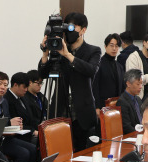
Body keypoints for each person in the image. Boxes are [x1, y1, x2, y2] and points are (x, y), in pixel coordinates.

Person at [38, 12, 101, 150]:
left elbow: (90, 70)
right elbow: (42, 74)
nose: (68, 33)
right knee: (60, 150)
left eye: (73, 28)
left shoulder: (93, 51)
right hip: (59, 107)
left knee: (82, 151)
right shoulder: (58, 49)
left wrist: (67, 55)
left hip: (82, 111)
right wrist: (45, 53)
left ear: (83, 30)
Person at [0, 72, 37, 162]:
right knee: (24, 153)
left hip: (5, 138)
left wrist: (14, 127)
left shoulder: (4, 102)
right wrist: (9, 122)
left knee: (33, 148)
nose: (3, 87)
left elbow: (6, 124)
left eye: (5, 85)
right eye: (0, 83)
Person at [93, 33, 125, 112]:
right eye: (111, 45)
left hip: (117, 107)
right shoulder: (98, 64)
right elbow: (94, 87)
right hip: (102, 106)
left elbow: (122, 89)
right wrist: (97, 107)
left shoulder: (119, 66)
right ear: (105, 46)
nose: (114, 48)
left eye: (116, 46)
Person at [4, 72, 38, 143]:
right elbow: (16, 123)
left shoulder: (23, 96)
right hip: (18, 136)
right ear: (15, 85)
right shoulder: (6, 99)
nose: (26, 90)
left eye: (27, 87)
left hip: (29, 133)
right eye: (24, 87)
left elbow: (30, 117)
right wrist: (33, 131)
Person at [117, 70, 143, 134]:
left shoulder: (138, 99)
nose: (140, 87)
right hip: (132, 135)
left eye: (141, 84)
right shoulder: (122, 101)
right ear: (128, 84)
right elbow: (126, 126)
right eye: (138, 84)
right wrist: (140, 134)